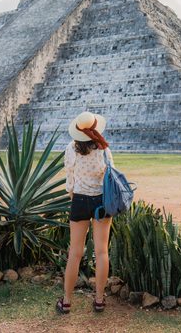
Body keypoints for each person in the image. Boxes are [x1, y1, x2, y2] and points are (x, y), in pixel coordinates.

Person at [56, 111, 113, 314]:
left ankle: (67, 301)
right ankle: (99, 300)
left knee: (75, 253)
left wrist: (74, 197)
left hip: (79, 200)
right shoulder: (104, 149)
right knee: (101, 251)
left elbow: (69, 179)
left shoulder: (71, 149)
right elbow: (111, 175)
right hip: (101, 202)